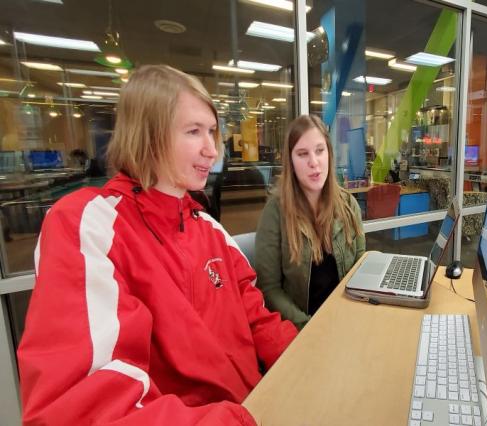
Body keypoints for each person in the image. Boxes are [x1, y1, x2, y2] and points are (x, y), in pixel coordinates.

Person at [17, 65, 297, 425]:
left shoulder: (210, 229)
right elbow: (81, 406)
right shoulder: (87, 224)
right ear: (147, 134)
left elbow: (259, 320)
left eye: (212, 132)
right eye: (194, 131)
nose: (212, 150)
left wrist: (306, 362)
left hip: (257, 406)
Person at [255, 115, 365, 330]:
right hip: (302, 330)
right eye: (302, 154)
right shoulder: (275, 211)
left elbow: (361, 267)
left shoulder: (349, 205)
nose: (313, 162)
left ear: (329, 154)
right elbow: (269, 289)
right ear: (291, 161)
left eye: (319, 150)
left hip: (348, 323)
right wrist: (308, 327)